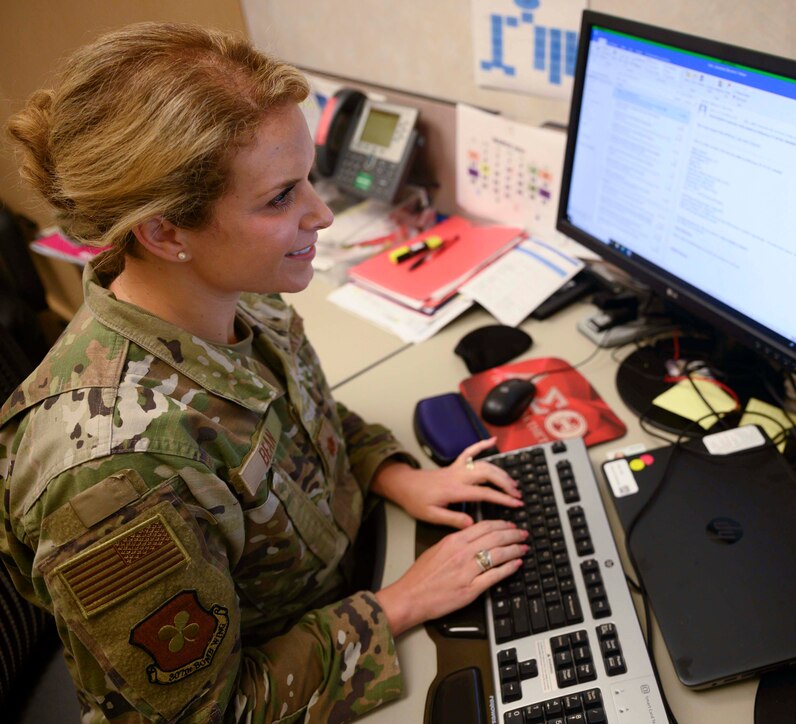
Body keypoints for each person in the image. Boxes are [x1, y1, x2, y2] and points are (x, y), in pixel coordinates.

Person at [0, 22, 529, 722]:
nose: (323, 214)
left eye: (308, 179)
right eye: (281, 198)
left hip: (344, 578)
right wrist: (399, 605)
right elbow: (205, 716)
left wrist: (399, 475)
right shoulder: (114, 475)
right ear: (165, 233)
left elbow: (307, 423)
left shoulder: (241, 291)